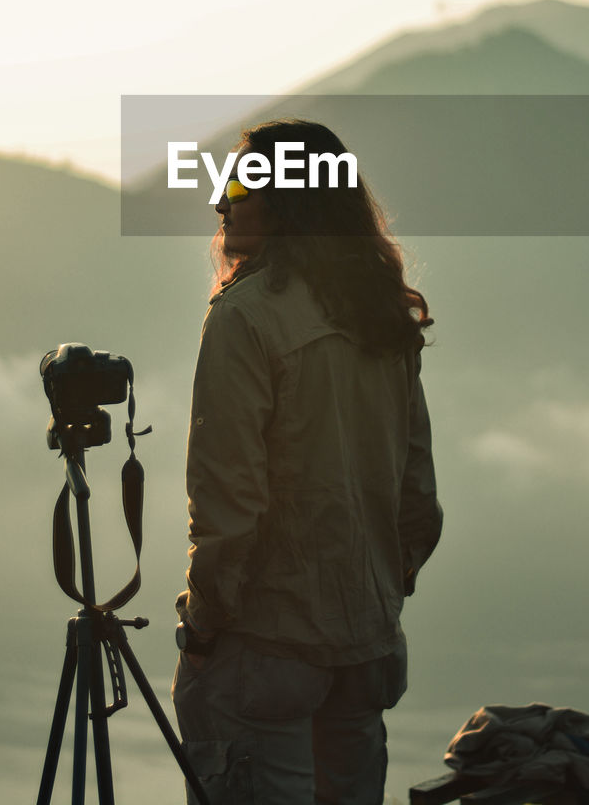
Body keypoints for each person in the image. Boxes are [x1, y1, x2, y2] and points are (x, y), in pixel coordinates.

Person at [172, 119, 442, 805]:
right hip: (366, 643)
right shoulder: (381, 314)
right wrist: (382, 589)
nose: (219, 202)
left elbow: (229, 501)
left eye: (237, 184)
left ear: (286, 200)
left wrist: (203, 624)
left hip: (267, 640)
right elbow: (417, 493)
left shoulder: (246, 317)